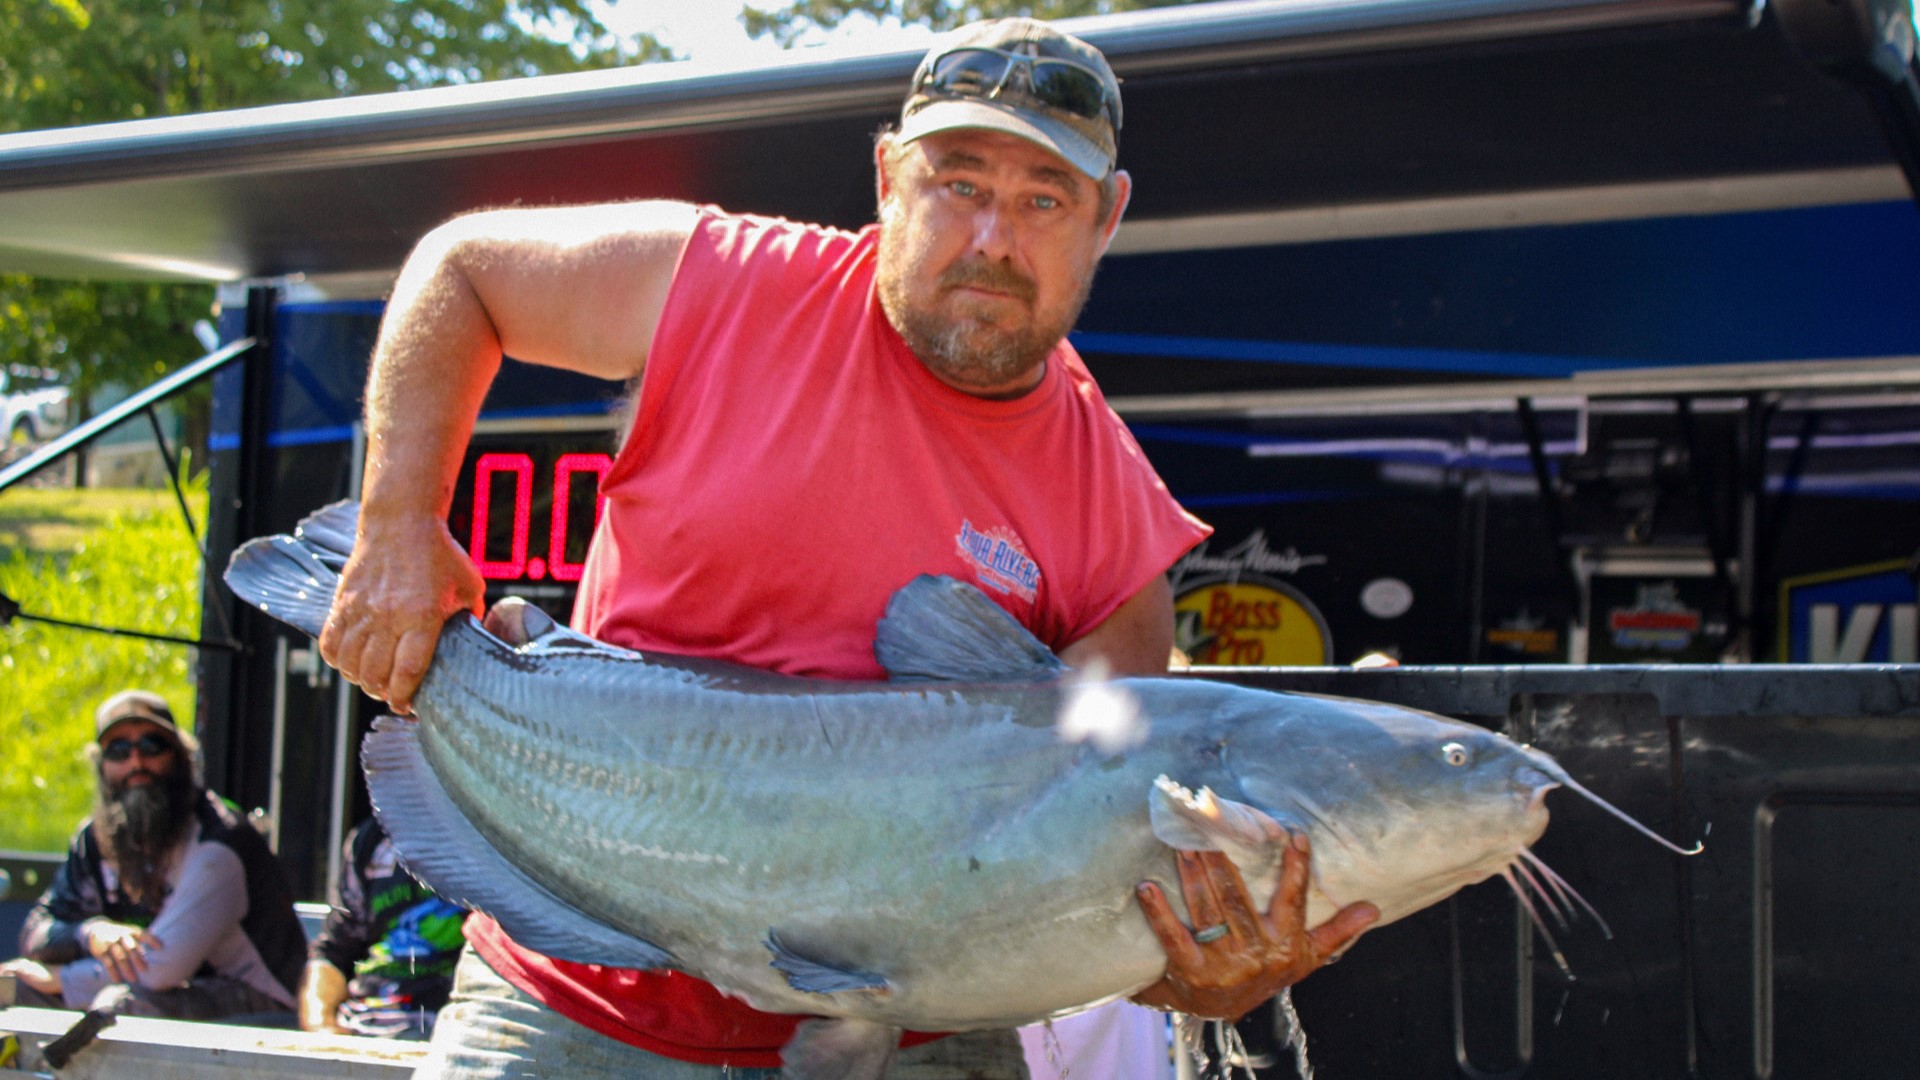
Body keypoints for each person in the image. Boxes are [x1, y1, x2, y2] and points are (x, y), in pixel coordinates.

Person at [317, 16, 1379, 1078]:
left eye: (1044, 201)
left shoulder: (1114, 526)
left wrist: (1199, 963)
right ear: (888, 176)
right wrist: (399, 523)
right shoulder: (722, 285)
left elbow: (1088, 892)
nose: (993, 241)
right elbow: (461, 273)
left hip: (911, 1045)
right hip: (569, 1003)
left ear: (1108, 217)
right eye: (959, 182)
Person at [1, 690, 307, 1022]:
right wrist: (90, 933)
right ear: (101, 764)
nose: (136, 763)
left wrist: (61, 979)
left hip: (261, 1004)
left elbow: (159, 968)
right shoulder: (95, 839)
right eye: (119, 750)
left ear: (181, 756)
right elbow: (36, 933)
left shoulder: (221, 840)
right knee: (13, 988)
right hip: (154, 985)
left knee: (123, 1006)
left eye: (151, 746)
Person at [299, 816, 469, 1038]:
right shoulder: (370, 840)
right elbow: (332, 953)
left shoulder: (486, 838)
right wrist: (322, 1029)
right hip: (363, 1022)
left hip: (453, 1024)